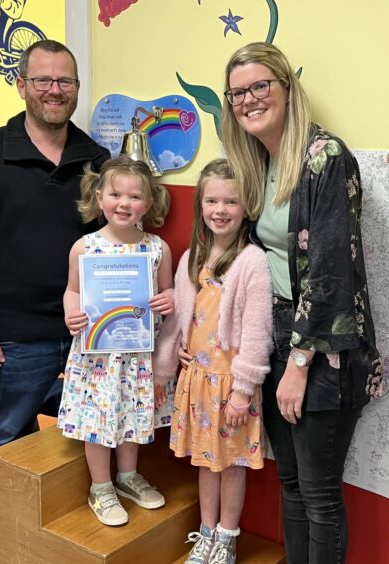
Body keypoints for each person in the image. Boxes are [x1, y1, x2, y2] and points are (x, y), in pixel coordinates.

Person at [221, 42, 383, 564]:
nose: (249, 100)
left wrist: (297, 364)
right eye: (238, 92)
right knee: (289, 483)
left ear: (288, 89)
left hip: (321, 353)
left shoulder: (325, 158)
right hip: (273, 337)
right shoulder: (257, 162)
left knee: (318, 497)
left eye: (260, 86)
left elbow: (332, 272)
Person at [0, 39, 109, 562]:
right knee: (9, 439)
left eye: (65, 81)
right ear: (22, 85)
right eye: (44, 80)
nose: (55, 90)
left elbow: (114, 243)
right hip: (16, 334)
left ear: (75, 89)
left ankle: (60, 534)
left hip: (90, 332)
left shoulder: (96, 159)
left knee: (90, 431)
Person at [153, 159, 273, 564]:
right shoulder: (192, 257)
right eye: (212, 200)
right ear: (200, 205)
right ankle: (205, 534)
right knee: (206, 463)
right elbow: (181, 318)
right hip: (198, 380)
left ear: (246, 207)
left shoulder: (252, 261)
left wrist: (242, 392)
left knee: (232, 466)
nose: (220, 210)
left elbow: (258, 332)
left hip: (232, 387)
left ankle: (226, 538)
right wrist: (174, 355)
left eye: (231, 201)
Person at [57, 155, 175, 527]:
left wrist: (169, 299)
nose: (124, 203)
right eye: (115, 194)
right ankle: (101, 486)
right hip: (97, 356)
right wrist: (71, 312)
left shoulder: (157, 248)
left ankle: (127, 477)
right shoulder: (85, 247)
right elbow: (72, 290)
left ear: (149, 202)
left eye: (135, 196)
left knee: (132, 414)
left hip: (139, 355)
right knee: (98, 417)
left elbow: (169, 290)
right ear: (99, 196)